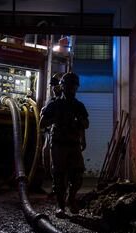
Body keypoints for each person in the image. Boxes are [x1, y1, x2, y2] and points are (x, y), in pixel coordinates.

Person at [39, 72, 89, 218]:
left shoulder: (79, 106)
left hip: (73, 144)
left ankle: (71, 199)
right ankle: (60, 206)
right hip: (59, 144)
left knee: (78, 176)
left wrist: (80, 124)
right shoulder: (55, 104)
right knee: (59, 176)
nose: (71, 89)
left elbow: (86, 124)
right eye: (68, 86)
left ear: (76, 88)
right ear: (63, 86)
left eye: (73, 87)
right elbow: (42, 124)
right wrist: (56, 118)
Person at [41, 73, 63, 197]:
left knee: (57, 162)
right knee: (46, 155)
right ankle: (52, 184)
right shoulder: (52, 100)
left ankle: (59, 190)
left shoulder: (64, 101)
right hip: (51, 132)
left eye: (56, 84)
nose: (54, 87)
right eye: (53, 85)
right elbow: (43, 117)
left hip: (61, 135)